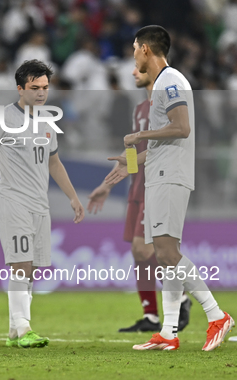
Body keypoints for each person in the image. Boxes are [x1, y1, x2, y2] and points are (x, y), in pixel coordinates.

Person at [107, 25, 233, 351]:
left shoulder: (171, 81)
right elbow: (166, 142)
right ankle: (168, 332)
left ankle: (216, 315)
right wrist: (129, 164)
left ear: (146, 49)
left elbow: (182, 127)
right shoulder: (162, 84)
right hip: (160, 173)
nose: (133, 54)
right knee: (165, 258)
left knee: (166, 253)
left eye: (135, 48)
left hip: (170, 177)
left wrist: (139, 136)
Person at [0, 59, 84, 348]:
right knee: (21, 266)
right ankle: (24, 329)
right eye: (35, 88)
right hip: (13, 201)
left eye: (45, 87)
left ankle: (14, 329)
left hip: (40, 205)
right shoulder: (1, 118)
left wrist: (73, 197)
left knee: (30, 268)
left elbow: (54, 162)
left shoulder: (47, 121)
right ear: (20, 88)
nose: (41, 93)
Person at [88, 67, 192, 333]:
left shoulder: (167, 103)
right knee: (139, 253)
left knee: (146, 249)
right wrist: (107, 185)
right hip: (138, 187)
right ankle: (151, 316)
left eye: (139, 68)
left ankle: (180, 297)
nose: (134, 72)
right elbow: (132, 154)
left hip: (158, 182)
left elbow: (180, 134)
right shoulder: (139, 110)